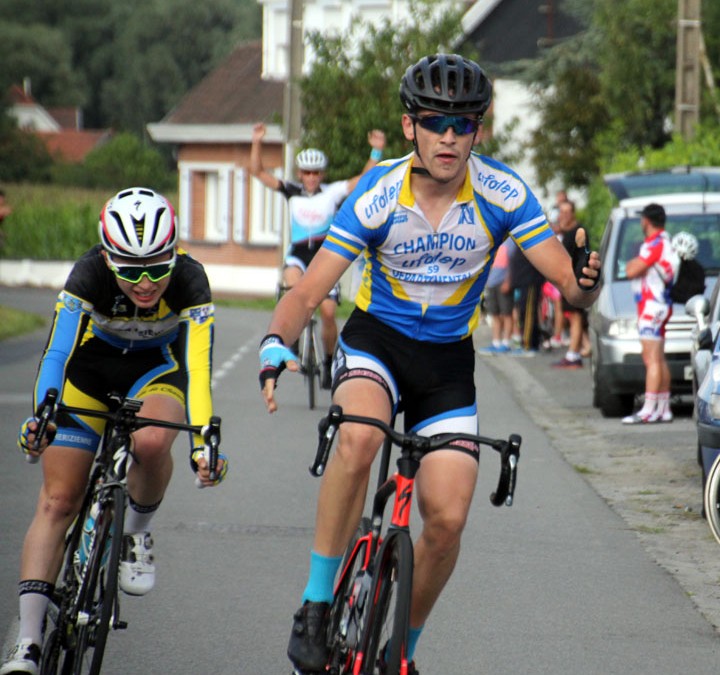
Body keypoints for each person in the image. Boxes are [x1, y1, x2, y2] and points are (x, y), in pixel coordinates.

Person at [258, 53, 601, 674]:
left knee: (446, 520)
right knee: (359, 438)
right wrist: (275, 341)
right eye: (436, 121)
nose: (449, 136)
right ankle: (314, 602)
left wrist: (585, 286)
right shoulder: (378, 190)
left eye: (463, 123)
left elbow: (568, 287)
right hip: (377, 344)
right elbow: (309, 292)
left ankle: (402, 654)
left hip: (446, 364)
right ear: (409, 125)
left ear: (478, 129)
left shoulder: (503, 192)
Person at [0, 187, 228, 675]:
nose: (145, 283)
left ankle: (136, 533)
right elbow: (57, 353)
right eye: (129, 268)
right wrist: (43, 414)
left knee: (150, 440)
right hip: (91, 370)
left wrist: (204, 441)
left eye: (157, 265)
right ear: (107, 255)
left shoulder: (190, 279)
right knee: (59, 501)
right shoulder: (88, 273)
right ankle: (27, 643)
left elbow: (197, 367)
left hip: (156, 371)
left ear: (175, 250)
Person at [250, 122, 386, 389]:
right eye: (307, 172)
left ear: (321, 174)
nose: (311, 177)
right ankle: (293, 335)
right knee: (291, 283)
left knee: (327, 313)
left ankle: (326, 362)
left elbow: (363, 178)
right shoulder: (291, 190)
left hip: (324, 257)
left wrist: (377, 152)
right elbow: (257, 171)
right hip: (298, 255)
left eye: (316, 172)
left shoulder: (332, 192)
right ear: (300, 173)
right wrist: (257, 142)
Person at [622, 202, 679, 424]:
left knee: (651, 359)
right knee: (659, 358)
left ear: (647, 220)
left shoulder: (655, 243)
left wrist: (633, 264)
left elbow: (631, 269)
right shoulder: (665, 241)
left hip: (652, 306)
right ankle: (663, 408)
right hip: (658, 305)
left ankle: (648, 409)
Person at [552, 199, 590, 368]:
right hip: (567, 281)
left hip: (576, 281)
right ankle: (584, 347)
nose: (563, 216)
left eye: (567, 212)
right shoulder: (566, 233)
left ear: (573, 214)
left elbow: (583, 257)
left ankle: (573, 355)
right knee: (573, 318)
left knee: (576, 318)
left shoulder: (578, 232)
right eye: (561, 212)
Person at [477, 238, 515, 354]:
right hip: (491, 282)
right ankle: (496, 342)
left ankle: (506, 343)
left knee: (507, 313)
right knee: (494, 313)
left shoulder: (511, 242)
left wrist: (508, 281)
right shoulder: (494, 239)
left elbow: (513, 263)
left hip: (503, 282)